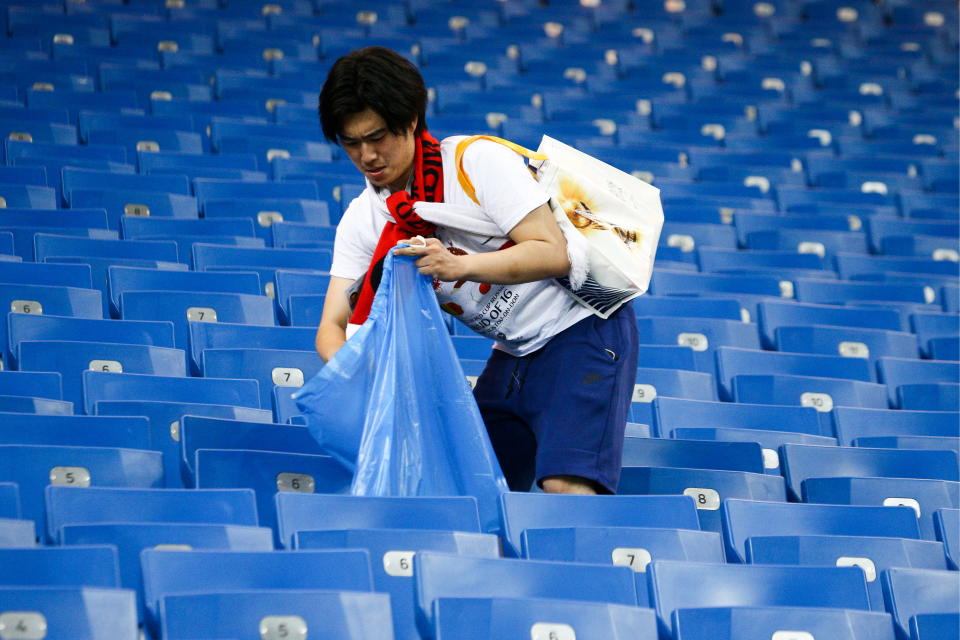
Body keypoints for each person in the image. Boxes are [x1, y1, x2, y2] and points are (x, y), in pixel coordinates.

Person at [315, 46, 638, 495]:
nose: (367, 156)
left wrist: (458, 264)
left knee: (566, 486)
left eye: (378, 137)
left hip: (580, 329)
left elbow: (552, 251)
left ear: (410, 122)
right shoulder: (364, 219)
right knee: (468, 488)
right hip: (514, 349)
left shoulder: (474, 163)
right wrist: (368, 374)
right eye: (352, 143)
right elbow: (331, 327)